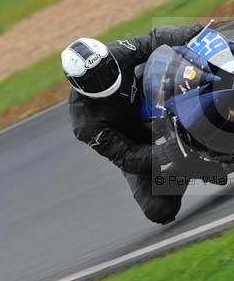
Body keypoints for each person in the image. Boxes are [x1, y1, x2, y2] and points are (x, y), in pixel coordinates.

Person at [61, 25, 211, 225]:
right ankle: (187, 165)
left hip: (154, 99)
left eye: (104, 70)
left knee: (171, 59)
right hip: (134, 141)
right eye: (92, 79)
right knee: (158, 209)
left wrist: (188, 33)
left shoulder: (117, 53)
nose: (102, 78)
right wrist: (164, 153)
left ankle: (220, 83)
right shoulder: (85, 124)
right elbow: (126, 157)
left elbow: (154, 40)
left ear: (108, 60)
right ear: (76, 84)